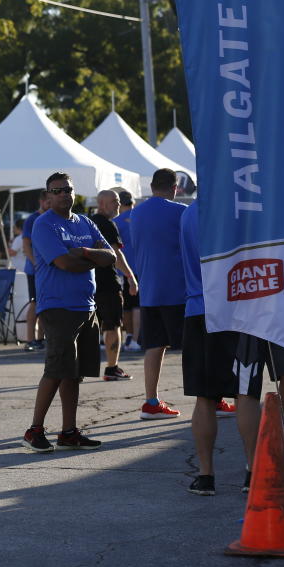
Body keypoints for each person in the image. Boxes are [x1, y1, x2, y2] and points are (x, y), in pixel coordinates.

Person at [21, 172, 113, 453]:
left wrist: (82, 251)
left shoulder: (85, 222)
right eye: (57, 190)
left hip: (86, 306)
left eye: (67, 189)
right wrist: (90, 257)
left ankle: (69, 432)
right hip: (57, 306)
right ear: (48, 197)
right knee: (57, 369)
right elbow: (63, 263)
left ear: (74, 193)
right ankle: (34, 429)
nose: (63, 194)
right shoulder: (43, 224)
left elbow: (110, 257)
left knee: (74, 374)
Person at [179, 200, 242, 495]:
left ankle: (206, 476)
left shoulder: (189, 213)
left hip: (198, 309)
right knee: (246, 394)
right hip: (237, 310)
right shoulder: (237, 207)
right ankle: (254, 472)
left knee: (205, 397)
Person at [131, 169, 188, 419]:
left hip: (150, 290)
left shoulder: (136, 212)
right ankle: (212, 399)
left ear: (152, 185)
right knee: (197, 346)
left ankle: (151, 401)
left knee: (154, 346)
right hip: (178, 290)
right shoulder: (180, 212)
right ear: (175, 188)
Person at [91, 190, 138, 381]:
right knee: (113, 326)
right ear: (102, 203)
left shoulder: (88, 222)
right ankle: (112, 368)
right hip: (108, 283)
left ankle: (79, 369)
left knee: (92, 328)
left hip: (90, 282)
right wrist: (130, 276)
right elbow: (117, 255)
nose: (118, 205)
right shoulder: (108, 225)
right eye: (114, 201)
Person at [21, 191, 52, 351]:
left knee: (45, 303)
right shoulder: (32, 220)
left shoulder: (52, 218)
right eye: (48, 201)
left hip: (47, 271)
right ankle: (30, 339)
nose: (50, 204)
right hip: (34, 271)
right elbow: (26, 246)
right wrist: (36, 264)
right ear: (41, 201)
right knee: (35, 303)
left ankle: (41, 337)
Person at [113, 190, 140, 352]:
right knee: (137, 305)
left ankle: (130, 336)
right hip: (141, 266)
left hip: (123, 268)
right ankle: (136, 339)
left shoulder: (116, 221)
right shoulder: (140, 218)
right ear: (132, 203)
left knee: (128, 306)